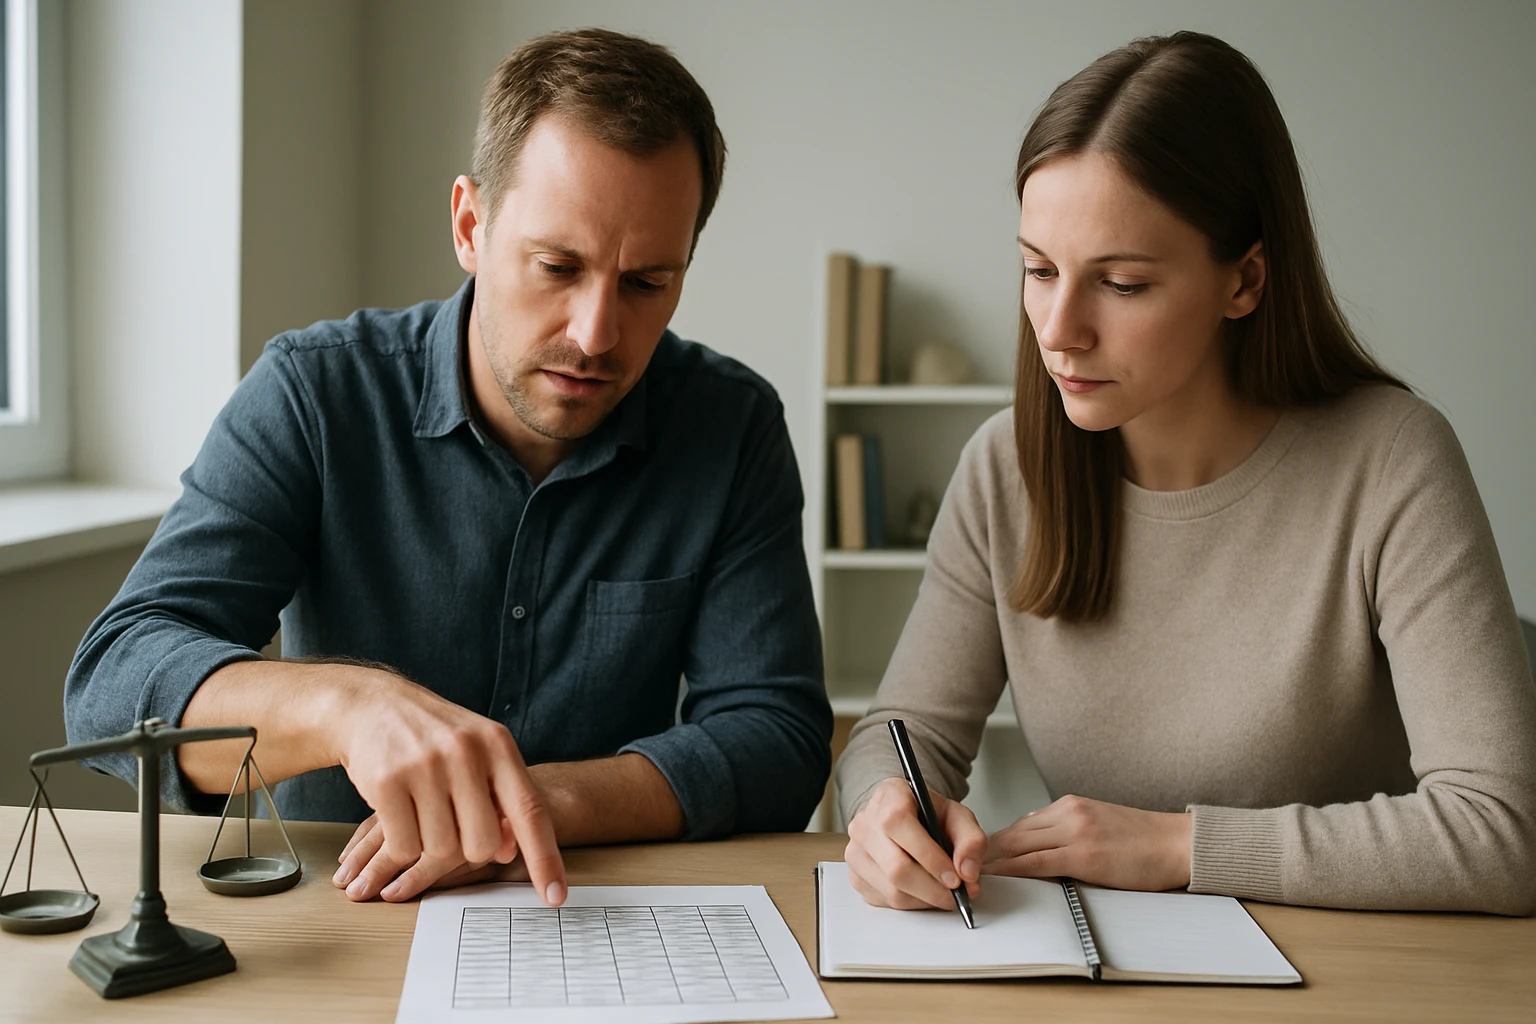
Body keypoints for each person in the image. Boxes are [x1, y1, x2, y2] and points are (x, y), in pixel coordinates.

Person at [65, 28, 831, 907]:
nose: (596, 333)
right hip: (338, 910)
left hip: (591, 905)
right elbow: (113, 678)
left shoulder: (732, 425)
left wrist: (536, 803)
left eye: (647, 283)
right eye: (558, 266)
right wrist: (347, 707)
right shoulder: (315, 393)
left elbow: (777, 734)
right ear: (470, 226)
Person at [836, 31, 1536, 916]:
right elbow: (901, 737)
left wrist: (1179, 846)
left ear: (1244, 280)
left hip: (1357, 980)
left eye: (1121, 284)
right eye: (1038, 270)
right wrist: (881, 810)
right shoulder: (1004, 467)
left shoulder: (1393, 461)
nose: (1058, 329)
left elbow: (1506, 831)